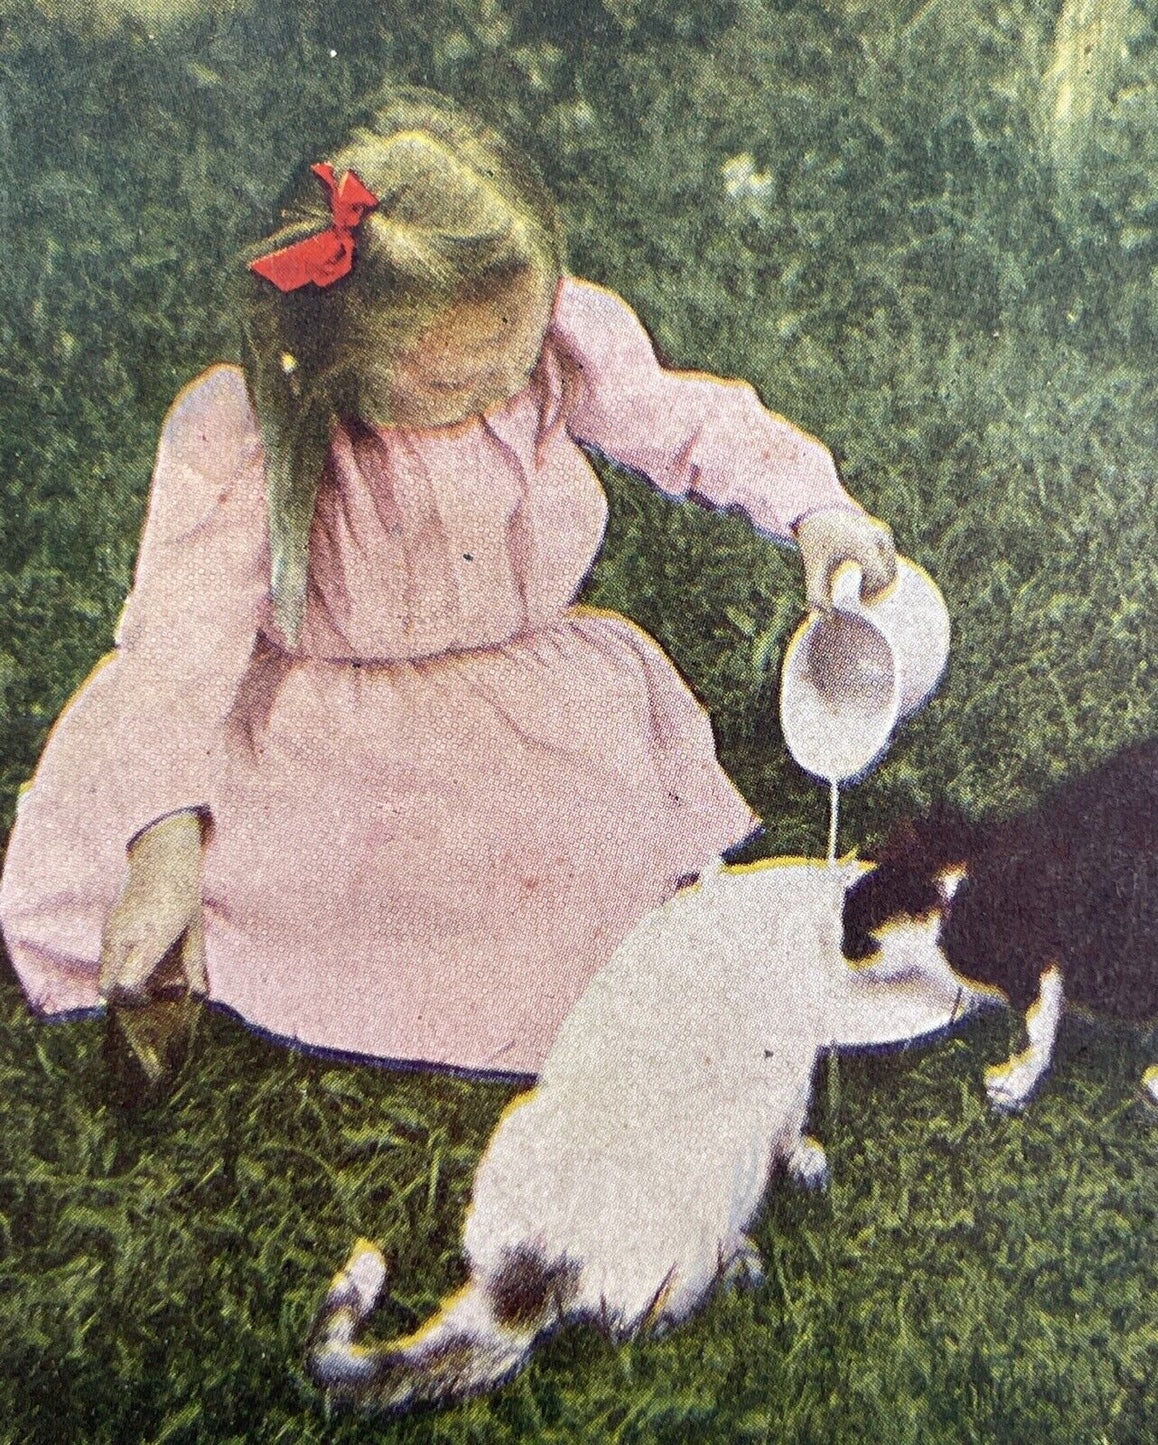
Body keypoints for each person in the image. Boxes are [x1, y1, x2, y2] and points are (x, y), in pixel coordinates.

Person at [0, 89, 897, 1080]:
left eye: (512, 364)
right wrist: (163, 839)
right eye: (457, 382)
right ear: (345, 355)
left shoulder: (540, 350)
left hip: (509, 695)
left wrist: (810, 504)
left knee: (565, 880)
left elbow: (684, 421)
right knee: (272, 877)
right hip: (314, 725)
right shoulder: (256, 432)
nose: (501, 386)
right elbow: (180, 641)